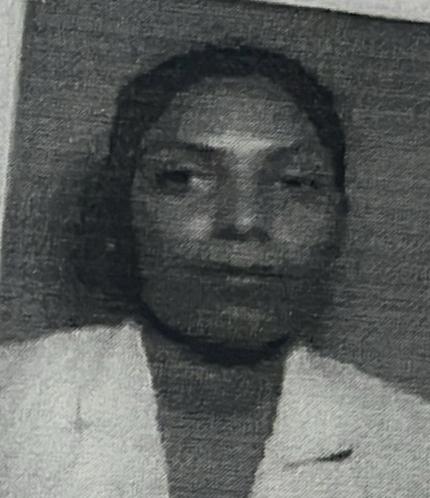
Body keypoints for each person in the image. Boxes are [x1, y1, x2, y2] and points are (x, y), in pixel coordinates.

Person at [0, 45, 428, 498]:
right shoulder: (13, 403)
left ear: (339, 220)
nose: (244, 222)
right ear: (118, 211)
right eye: (183, 178)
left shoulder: (413, 448)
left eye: (295, 182)